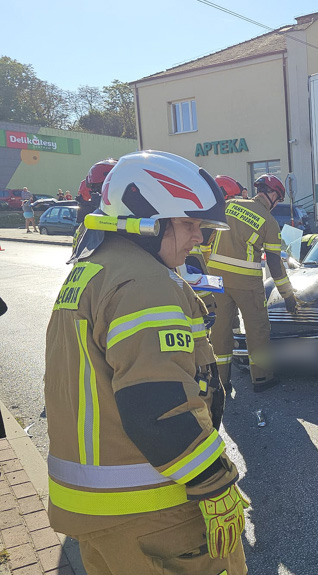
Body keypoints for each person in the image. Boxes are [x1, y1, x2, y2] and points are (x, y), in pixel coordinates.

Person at [44, 150, 248, 574]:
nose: (199, 237)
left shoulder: (92, 270)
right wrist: (214, 482)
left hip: (98, 509)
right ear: (149, 218)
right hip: (153, 508)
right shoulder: (145, 283)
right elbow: (158, 405)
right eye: (189, 224)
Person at [208, 174, 297, 392]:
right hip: (247, 284)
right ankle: (262, 378)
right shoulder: (269, 222)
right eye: (278, 198)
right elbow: (275, 265)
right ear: (274, 195)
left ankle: (221, 381)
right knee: (257, 330)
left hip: (216, 281)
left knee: (220, 331)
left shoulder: (229, 204)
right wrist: (288, 296)